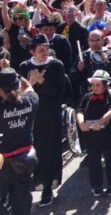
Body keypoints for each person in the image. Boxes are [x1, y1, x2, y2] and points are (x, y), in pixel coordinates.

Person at [17, 35, 65, 207]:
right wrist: (31, 83)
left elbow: (60, 92)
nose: (45, 53)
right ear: (32, 51)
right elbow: (19, 94)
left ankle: (47, 189)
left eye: (47, 49)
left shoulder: (56, 65)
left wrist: (42, 81)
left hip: (50, 116)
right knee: (31, 153)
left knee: (49, 151)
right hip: (31, 117)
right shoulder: (25, 66)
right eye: (41, 50)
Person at [76, 69, 111, 197]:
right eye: (93, 85)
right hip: (91, 135)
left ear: (105, 85)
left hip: (109, 134)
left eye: (98, 85)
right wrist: (81, 123)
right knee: (93, 160)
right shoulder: (87, 97)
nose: (94, 88)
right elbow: (80, 110)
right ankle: (96, 186)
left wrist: (101, 122)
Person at [0, 68, 38, 215]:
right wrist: (17, 75)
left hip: (3, 163)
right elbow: (28, 87)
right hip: (24, 162)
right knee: (22, 203)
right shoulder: (30, 101)